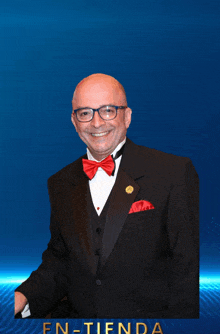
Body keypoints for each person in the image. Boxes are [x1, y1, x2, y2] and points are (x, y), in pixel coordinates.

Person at [15, 73, 199, 319]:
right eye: (85, 113)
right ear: (74, 120)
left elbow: (188, 270)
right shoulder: (59, 183)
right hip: (80, 333)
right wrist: (21, 297)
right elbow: (60, 263)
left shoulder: (173, 172)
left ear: (127, 116)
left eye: (108, 110)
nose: (96, 123)